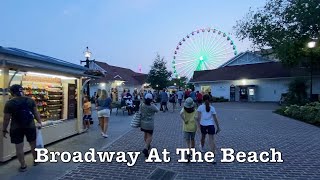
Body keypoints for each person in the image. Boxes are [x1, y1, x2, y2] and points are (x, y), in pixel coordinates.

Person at [2, 84, 42, 172]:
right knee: (33, 144)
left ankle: (23, 165)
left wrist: (4, 129)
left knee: (19, 147)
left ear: (12, 92)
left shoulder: (9, 103)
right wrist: (39, 122)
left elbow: (6, 118)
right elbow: (36, 113)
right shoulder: (30, 100)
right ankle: (36, 161)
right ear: (22, 90)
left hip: (16, 127)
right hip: (30, 125)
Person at [197, 94, 221, 164]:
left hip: (203, 125)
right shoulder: (212, 108)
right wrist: (218, 127)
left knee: (203, 137)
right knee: (212, 140)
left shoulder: (200, 107)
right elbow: (215, 118)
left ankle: (201, 147)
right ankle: (213, 158)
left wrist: (198, 127)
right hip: (211, 125)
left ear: (203, 100)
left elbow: (198, 118)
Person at [140, 93, 159, 157]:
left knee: (145, 135)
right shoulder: (152, 106)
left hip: (143, 122)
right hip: (150, 123)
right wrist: (153, 103)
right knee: (150, 136)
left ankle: (147, 146)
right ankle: (146, 148)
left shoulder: (142, 105)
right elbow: (157, 110)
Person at [180, 97, 197, 162]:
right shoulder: (195, 110)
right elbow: (197, 117)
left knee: (187, 141)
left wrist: (185, 120)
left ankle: (188, 152)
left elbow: (180, 114)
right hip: (193, 127)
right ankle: (192, 150)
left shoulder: (184, 109)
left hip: (186, 127)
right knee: (193, 139)